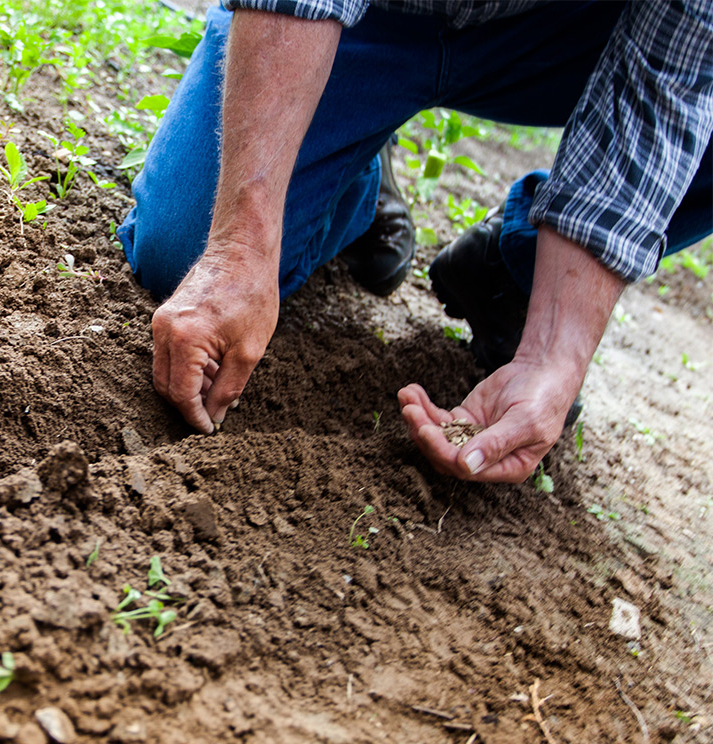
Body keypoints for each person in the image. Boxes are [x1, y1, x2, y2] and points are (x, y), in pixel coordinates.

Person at [116, 0, 713, 483]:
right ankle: (355, 175)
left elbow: (668, 84)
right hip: (372, 17)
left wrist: (553, 354)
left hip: (564, 31)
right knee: (184, 248)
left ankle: (519, 272)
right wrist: (239, 248)